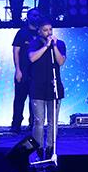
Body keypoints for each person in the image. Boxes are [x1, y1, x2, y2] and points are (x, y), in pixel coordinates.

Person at [28, 18, 67, 160]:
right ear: (39, 31)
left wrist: (54, 46)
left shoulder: (60, 44)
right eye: (45, 30)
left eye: (50, 29)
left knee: (53, 121)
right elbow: (32, 58)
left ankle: (50, 148)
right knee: (39, 121)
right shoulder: (34, 43)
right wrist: (46, 46)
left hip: (54, 88)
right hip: (37, 88)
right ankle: (38, 148)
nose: (49, 32)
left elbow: (61, 61)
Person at [11, 9, 42, 133]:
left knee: (35, 101)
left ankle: (33, 124)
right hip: (23, 71)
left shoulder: (42, 33)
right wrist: (18, 70)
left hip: (38, 73)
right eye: (34, 15)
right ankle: (16, 124)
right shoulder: (21, 33)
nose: (36, 17)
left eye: (38, 15)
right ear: (28, 17)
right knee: (19, 99)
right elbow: (16, 52)